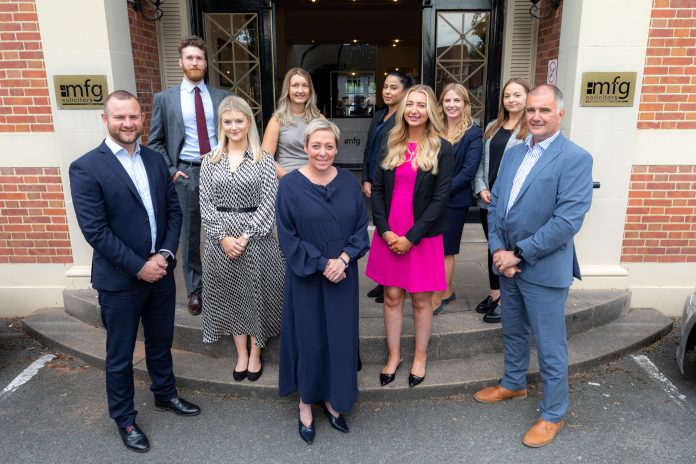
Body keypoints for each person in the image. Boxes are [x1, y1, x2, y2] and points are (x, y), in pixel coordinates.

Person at [69, 91, 200, 453]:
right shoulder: (86, 167)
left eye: (133, 117)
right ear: (105, 119)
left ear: (142, 118)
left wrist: (165, 255)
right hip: (120, 280)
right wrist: (139, 266)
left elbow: (174, 212)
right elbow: (95, 231)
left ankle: (165, 394)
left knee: (161, 342)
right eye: (119, 117)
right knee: (120, 354)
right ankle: (124, 418)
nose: (127, 124)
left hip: (160, 273)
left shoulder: (156, 161)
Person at [473, 84, 593, 448]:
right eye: (531, 110)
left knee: (549, 343)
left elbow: (567, 221)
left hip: (540, 268)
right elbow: (496, 208)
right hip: (507, 264)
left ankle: (553, 413)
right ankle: (513, 383)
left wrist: (518, 254)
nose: (536, 117)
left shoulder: (575, 158)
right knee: (513, 330)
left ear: (560, 114)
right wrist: (497, 251)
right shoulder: (513, 153)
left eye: (544, 110)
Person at [276, 119, 369, 445]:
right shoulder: (289, 186)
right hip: (306, 276)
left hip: (342, 275)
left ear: (337, 147)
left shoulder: (348, 182)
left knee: (339, 340)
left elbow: (361, 229)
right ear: (305, 147)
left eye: (329, 146)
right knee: (311, 339)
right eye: (316, 145)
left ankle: (333, 398)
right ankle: (305, 401)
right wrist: (321, 263)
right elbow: (288, 237)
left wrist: (342, 260)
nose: (323, 152)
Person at [365, 84, 454, 389]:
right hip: (389, 232)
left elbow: (441, 199)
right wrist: (385, 229)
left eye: (421, 104)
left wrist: (412, 237)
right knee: (391, 296)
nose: (414, 110)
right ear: (403, 109)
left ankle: (419, 357)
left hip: (423, 235)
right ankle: (393, 356)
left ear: (430, 110)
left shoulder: (443, 147)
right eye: (410, 104)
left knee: (420, 300)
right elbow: (376, 190)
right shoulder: (389, 142)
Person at [199, 95, 284, 382]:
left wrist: (245, 236)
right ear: (220, 124)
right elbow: (206, 204)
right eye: (228, 121)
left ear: (249, 122)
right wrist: (224, 237)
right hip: (220, 241)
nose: (234, 126)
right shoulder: (209, 161)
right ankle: (241, 354)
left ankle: (257, 354)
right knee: (232, 296)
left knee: (257, 295)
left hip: (257, 239)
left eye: (239, 120)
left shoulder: (264, 160)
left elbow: (269, 203)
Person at [149, 35, 229, 316]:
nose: (195, 63)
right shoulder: (165, 99)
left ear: (206, 63)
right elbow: (155, 141)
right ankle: (196, 290)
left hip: (220, 170)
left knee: (226, 230)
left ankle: (226, 286)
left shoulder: (223, 97)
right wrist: (171, 171)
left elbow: (234, 133)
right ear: (181, 62)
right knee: (190, 236)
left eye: (200, 58)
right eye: (190, 58)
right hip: (187, 173)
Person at [472, 78, 529, 323]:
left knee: (508, 248)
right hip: (488, 199)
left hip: (512, 202)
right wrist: (481, 187)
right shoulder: (493, 126)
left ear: (527, 97)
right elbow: (481, 163)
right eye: (507, 96)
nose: (511, 100)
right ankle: (495, 293)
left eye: (517, 95)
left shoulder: (530, 129)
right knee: (492, 247)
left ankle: (508, 300)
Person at [361, 70, 415, 304]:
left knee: (390, 227)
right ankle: (383, 280)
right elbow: (368, 149)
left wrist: (378, 181)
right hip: (373, 179)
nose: (387, 91)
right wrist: (365, 178)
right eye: (385, 87)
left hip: (390, 182)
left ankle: (390, 282)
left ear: (404, 91)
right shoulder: (379, 115)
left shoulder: (403, 119)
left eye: (393, 87)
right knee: (381, 226)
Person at [431, 83, 483, 315]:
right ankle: (445, 289)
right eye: (447, 100)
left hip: (453, 200)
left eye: (457, 101)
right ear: (441, 103)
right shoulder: (433, 128)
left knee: (446, 249)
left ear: (465, 104)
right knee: (432, 246)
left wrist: (440, 192)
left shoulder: (473, 133)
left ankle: (441, 293)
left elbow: (469, 171)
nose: (452, 105)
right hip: (430, 199)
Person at [262, 68, 322, 177]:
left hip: (315, 179)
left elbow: (327, 153)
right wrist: (290, 180)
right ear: (288, 90)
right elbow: (265, 158)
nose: (300, 90)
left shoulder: (319, 119)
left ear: (310, 90)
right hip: (286, 179)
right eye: (295, 85)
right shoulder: (277, 120)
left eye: (305, 85)